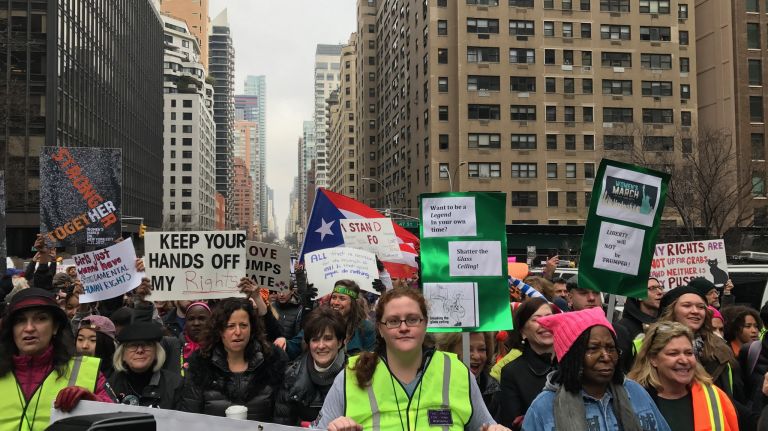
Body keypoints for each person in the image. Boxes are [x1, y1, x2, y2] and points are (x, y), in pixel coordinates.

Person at [315, 288, 510, 431]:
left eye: (412, 319)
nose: (403, 327)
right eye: (393, 321)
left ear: (425, 324)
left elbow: (485, 426)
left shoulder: (458, 371)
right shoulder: (351, 374)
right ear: (380, 329)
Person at [522, 307, 671, 431]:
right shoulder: (543, 408)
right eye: (593, 348)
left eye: (611, 348)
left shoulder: (635, 392)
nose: (606, 357)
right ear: (571, 357)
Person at [0, 288, 113, 431]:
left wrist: (93, 404)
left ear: (55, 327)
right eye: (20, 320)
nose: (29, 328)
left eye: (41, 318)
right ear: (11, 329)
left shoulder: (87, 370)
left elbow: (117, 421)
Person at [179, 298, 287, 421]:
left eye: (243, 325)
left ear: (252, 328)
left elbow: (282, 417)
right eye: (230, 326)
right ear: (219, 330)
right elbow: (190, 419)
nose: (238, 332)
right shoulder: (200, 365)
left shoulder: (272, 362)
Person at [627, 322, 738, 430]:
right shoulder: (631, 399)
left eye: (689, 353)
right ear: (653, 359)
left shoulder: (715, 397)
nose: (684, 360)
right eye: (673, 353)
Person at [273, 307, 347, 425]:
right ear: (308, 343)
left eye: (328, 338)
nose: (321, 346)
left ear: (339, 342)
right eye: (315, 340)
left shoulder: (355, 376)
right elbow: (283, 424)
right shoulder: (291, 376)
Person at [496, 298, 556, 429]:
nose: (545, 323)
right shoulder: (511, 372)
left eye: (549, 317)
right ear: (523, 331)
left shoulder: (571, 364)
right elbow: (511, 423)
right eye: (536, 319)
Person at [286, 280, 375, 360]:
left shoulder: (365, 328)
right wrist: (283, 343)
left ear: (353, 303)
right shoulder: (318, 321)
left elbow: (369, 362)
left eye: (342, 298)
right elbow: (294, 346)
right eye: (334, 297)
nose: (336, 302)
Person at [108, 322, 182, 409]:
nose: (140, 350)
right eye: (132, 346)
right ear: (122, 354)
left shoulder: (175, 385)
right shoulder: (110, 385)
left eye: (147, 345)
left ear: (156, 352)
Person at [434, 331, 499, 412]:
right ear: (449, 351)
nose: (477, 356)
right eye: (468, 349)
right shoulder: (432, 387)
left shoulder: (493, 390)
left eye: (482, 349)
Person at [616, 278, 664, 372]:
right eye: (652, 288)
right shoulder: (624, 327)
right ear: (639, 296)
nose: (659, 292)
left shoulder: (666, 323)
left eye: (660, 287)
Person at [182, 301, 211, 369]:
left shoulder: (219, 347)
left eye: (201, 318)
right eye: (191, 319)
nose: (196, 323)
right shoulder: (174, 347)